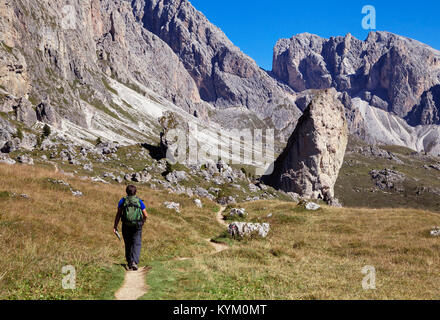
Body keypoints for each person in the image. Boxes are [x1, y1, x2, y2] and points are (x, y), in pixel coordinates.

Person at [113, 185, 149, 271]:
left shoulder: (122, 201)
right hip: (137, 225)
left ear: (126, 192)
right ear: (135, 192)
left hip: (126, 225)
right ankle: (134, 262)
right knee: (136, 243)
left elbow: (118, 214)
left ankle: (129, 263)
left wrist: (115, 226)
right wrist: (143, 221)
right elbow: (145, 214)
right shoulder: (139, 201)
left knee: (128, 243)